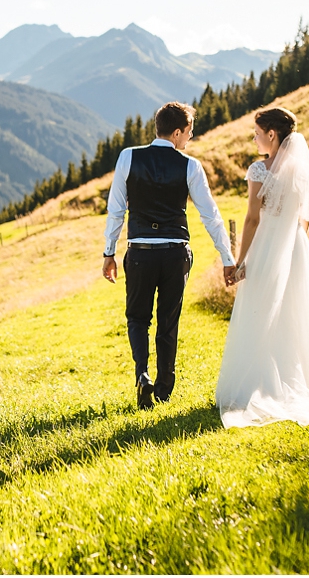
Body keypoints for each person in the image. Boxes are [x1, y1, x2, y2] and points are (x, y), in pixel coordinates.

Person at [103, 102, 236, 410]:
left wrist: (109, 252)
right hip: (175, 254)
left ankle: (142, 375)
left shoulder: (128, 157)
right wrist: (227, 258)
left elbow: (116, 210)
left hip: (140, 252)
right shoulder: (190, 165)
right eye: (188, 133)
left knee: (137, 318)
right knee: (168, 320)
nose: (188, 139)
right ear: (177, 132)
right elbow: (211, 216)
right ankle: (163, 388)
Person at [217, 107, 309, 428]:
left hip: (268, 246)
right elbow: (303, 216)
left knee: (261, 310)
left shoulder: (259, 171)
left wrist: (241, 261)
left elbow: (252, 219)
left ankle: (257, 384)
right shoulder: (300, 170)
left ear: (271, 134)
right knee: (295, 312)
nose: (254, 138)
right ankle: (307, 383)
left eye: (257, 133)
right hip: (295, 246)